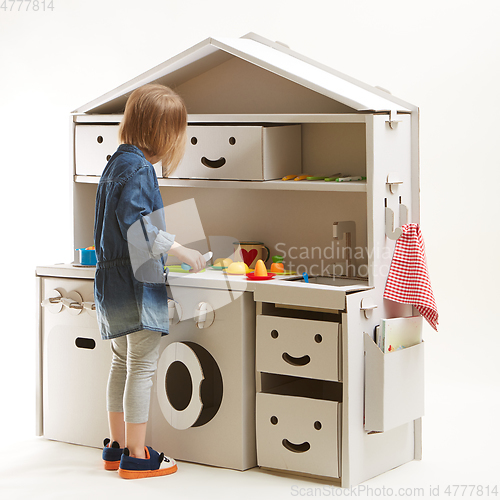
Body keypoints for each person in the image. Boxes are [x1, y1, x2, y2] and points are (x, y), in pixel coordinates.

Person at [94, 83, 205, 479]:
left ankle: (116, 448)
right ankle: (138, 455)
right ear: (164, 136)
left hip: (110, 281)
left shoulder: (114, 163)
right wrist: (183, 252)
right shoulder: (141, 169)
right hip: (138, 282)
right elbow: (140, 229)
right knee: (142, 365)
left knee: (121, 362)